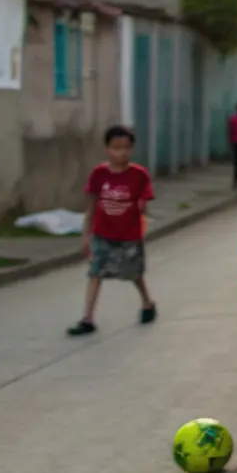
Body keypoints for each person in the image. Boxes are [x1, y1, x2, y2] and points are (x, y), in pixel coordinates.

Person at [68, 125, 158, 336]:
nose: (121, 153)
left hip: (129, 235)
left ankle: (147, 302)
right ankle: (87, 318)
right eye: (116, 148)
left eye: (126, 148)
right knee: (95, 273)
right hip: (103, 234)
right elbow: (91, 207)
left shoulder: (139, 175)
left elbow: (145, 200)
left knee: (134, 274)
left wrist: (142, 205)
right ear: (107, 149)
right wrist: (86, 235)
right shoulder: (99, 174)